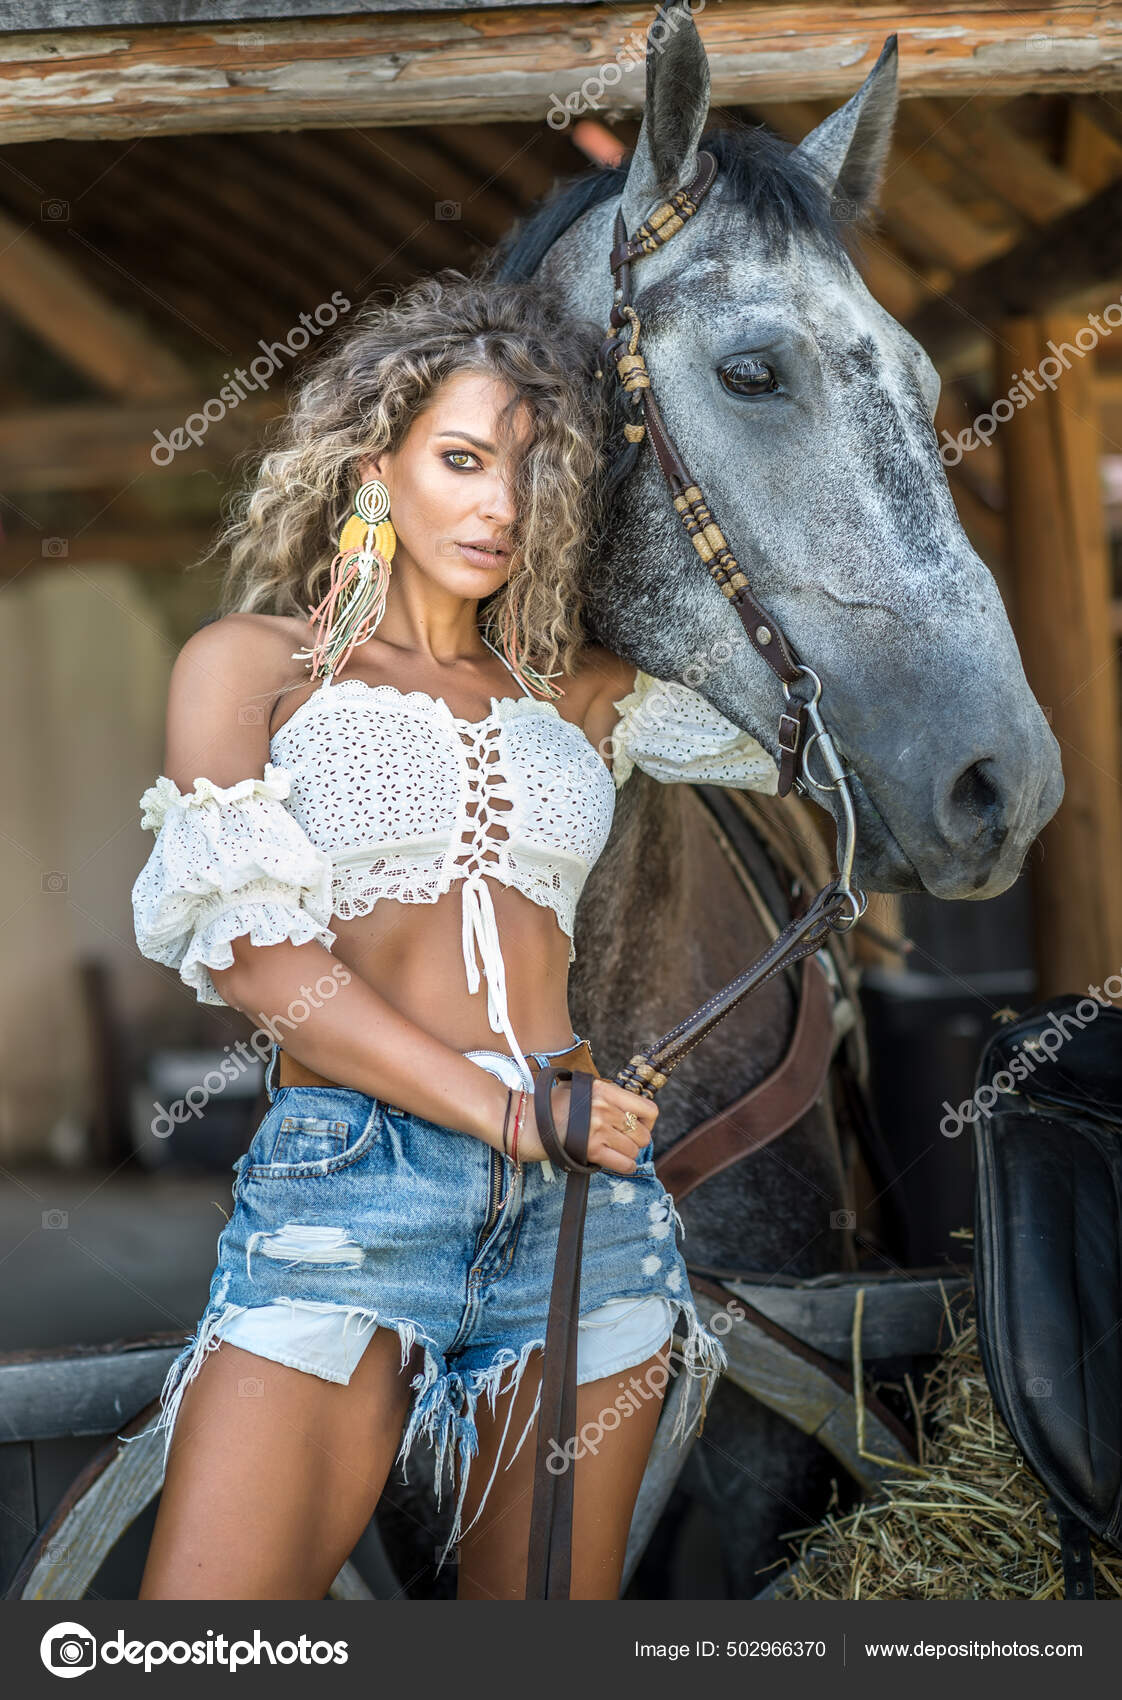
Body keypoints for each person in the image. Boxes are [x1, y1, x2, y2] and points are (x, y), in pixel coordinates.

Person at [126, 269, 779, 1601]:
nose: (498, 506)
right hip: (355, 1187)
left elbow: (811, 730)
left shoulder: (580, 692)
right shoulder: (253, 668)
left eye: (536, 474)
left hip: (584, 1211)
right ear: (377, 471)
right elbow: (259, 961)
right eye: (464, 460)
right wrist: (507, 1118)